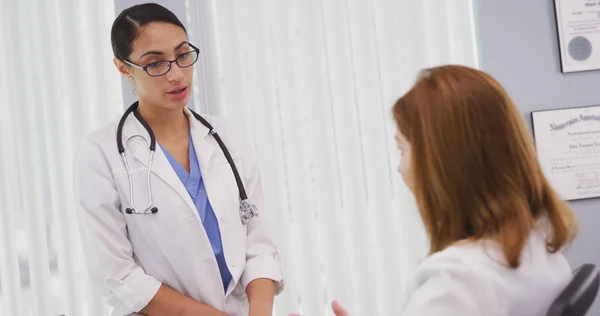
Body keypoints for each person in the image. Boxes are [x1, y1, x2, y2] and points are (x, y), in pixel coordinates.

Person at [74, 3, 283, 316]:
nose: (176, 74)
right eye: (155, 63)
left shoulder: (225, 136)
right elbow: (117, 275)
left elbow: (259, 241)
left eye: (183, 55)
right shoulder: (100, 154)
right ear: (124, 68)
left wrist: (260, 312)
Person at [320, 65, 578, 315]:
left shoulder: (457, 279)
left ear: (440, 162)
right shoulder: (540, 249)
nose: (400, 168)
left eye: (402, 150)